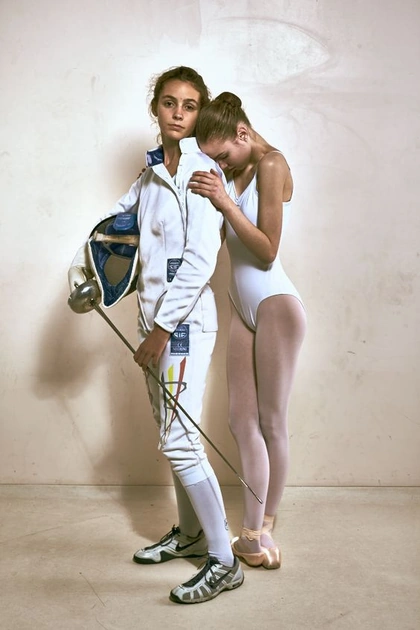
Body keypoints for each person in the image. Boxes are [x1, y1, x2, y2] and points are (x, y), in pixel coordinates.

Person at [68, 68, 244, 603]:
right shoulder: (149, 172)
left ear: (200, 112)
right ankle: (190, 534)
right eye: (169, 102)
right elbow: (114, 222)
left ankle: (224, 560)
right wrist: (80, 269)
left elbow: (200, 260)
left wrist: (162, 331)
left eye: (189, 105)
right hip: (153, 323)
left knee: (180, 438)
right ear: (156, 108)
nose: (178, 113)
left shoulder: (201, 171)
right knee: (172, 434)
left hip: (182, 326)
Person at [188, 92, 306, 570]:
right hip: (241, 306)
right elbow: (215, 241)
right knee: (241, 422)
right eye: (212, 160)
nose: (219, 166)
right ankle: (253, 537)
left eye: (222, 155)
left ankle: (259, 532)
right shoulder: (235, 172)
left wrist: (223, 200)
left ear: (243, 133)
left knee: (272, 421)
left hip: (276, 305)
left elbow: (267, 250)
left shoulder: (272, 163)